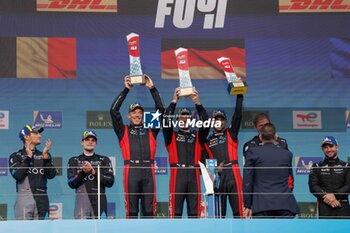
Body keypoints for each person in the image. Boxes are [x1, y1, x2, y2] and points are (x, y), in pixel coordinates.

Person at [110, 75, 164, 218]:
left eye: (140, 112)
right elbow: (113, 111)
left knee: (149, 210)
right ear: (129, 116)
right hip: (131, 171)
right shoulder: (123, 131)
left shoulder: (151, 129)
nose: (137, 115)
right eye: (134, 112)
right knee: (132, 211)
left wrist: (152, 88)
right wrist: (126, 90)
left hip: (148, 171)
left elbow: (161, 110)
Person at [163, 88, 209, 218]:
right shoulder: (171, 136)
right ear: (177, 120)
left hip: (194, 174)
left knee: (195, 215)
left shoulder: (198, 136)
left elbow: (206, 123)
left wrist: (197, 103)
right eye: (181, 116)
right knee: (175, 214)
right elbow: (165, 122)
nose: (184, 119)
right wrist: (174, 101)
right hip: (177, 175)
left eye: (187, 116)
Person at [243, 123, 299, 218]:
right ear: (276, 136)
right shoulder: (287, 154)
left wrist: (247, 205)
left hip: (261, 205)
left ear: (260, 136)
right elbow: (290, 180)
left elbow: (247, 182)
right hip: (285, 205)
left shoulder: (253, 153)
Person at [203, 94, 244, 218]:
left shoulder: (231, 133)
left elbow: (238, 115)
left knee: (239, 213)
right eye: (216, 119)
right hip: (218, 179)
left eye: (221, 119)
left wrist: (239, 95)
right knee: (219, 214)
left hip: (233, 174)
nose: (218, 122)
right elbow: (204, 164)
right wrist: (215, 169)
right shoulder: (207, 141)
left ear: (225, 121)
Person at [9, 125, 56, 220]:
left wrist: (46, 158)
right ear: (26, 136)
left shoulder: (44, 154)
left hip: (42, 199)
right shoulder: (16, 156)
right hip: (24, 198)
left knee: (43, 229)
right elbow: (17, 175)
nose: (40, 136)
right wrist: (28, 158)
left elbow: (51, 175)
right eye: (36, 133)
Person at [67, 130, 114, 219]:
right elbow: (71, 183)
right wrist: (83, 172)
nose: (90, 142)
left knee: (101, 230)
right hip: (81, 201)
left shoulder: (104, 160)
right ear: (82, 142)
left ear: (96, 143)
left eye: (93, 140)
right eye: (87, 139)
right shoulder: (74, 160)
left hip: (100, 201)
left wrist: (94, 172)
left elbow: (110, 181)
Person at [308, 136, 350, 219]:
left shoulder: (346, 166)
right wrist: (327, 197)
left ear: (337, 147)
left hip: (342, 205)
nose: (329, 150)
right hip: (324, 205)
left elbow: (349, 185)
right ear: (322, 149)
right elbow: (313, 186)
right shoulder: (316, 166)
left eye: (331, 146)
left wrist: (334, 195)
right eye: (325, 147)